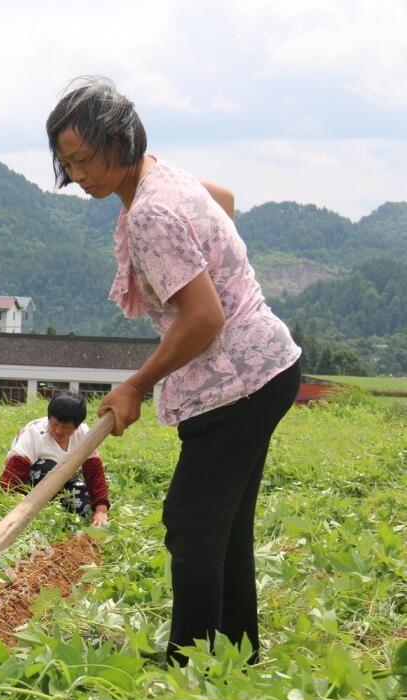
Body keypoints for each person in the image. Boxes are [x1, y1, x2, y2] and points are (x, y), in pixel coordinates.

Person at [44, 76, 302, 665]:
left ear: (121, 142)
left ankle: (189, 663)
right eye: (68, 163)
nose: (79, 175)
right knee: (223, 524)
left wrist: (136, 383)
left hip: (237, 381)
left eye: (86, 159)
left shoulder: (150, 213)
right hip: (267, 366)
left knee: (191, 522)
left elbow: (204, 316)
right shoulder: (166, 177)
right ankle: (237, 654)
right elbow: (226, 202)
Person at [0, 391, 111, 528]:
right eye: (55, 424)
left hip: (66, 480)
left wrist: (101, 511)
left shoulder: (83, 434)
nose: (58, 431)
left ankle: (60, 510)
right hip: (31, 482)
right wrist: (11, 509)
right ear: (49, 418)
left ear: (77, 426)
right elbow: (12, 476)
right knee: (47, 467)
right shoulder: (34, 434)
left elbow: (94, 474)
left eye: (65, 428)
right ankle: (40, 509)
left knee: (86, 507)